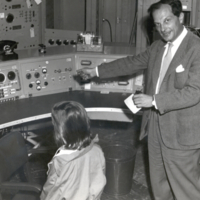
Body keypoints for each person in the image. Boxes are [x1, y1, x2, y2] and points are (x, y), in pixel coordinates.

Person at [77, 0, 200, 199]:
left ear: (181, 18)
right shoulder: (158, 47)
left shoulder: (196, 48)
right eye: (158, 24)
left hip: (180, 133)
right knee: (159, 186)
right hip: (155, 128)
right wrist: (96, 71)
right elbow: (131, 63)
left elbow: (194, 92)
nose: (163, 28)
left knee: (186, 190)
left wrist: (153, 100)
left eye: (167, 21)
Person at [40, 101, 106, 200]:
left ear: (61, 132)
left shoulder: (61, 161)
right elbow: (100, 178)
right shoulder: (97, 150)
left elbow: (50, 191)